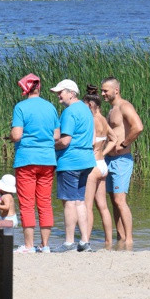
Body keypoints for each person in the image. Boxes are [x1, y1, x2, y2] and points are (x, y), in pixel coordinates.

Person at [10, 73, 60, 252]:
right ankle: (45, 246)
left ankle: (29, 246)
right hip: (48, 159)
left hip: (26, 159)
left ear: (25, 88)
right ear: (39, 87)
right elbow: (56, 135)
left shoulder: (20, 107)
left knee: (27, 203)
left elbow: (17, 135)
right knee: (45, 202)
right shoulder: (50, 107)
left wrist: (10, 136)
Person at [50, 79, 97, 252]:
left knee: (69, 202)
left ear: (71, 92)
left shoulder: (69, 112)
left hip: (70, 161)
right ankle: (85, 242)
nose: (58, 96)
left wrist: (50, 146)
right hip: (87, 160)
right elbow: (92, 139)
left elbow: (65, 141)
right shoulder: (86, 109)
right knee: (79, 201)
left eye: (60, 92)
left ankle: (69, 242)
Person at [100, 76, 144, 250]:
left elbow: (138, 127)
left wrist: (124, 143)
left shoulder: (124, 106)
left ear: (116, 90)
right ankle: (121, 238)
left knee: (120, 200)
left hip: (121, 160)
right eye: (102, 90)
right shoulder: (111, 109)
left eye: (105, 90)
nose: (103, 93)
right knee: (113, 200)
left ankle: (130, 240)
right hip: (109, 159)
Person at [83, 85, 117, 249]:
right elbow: (114, 138)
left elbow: (89, 142)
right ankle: (109, 242)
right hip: (103, 164)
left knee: (87, 206)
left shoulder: (92, 120)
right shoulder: (103, 118)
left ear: (90, 105)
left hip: (93, 166)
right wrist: (103, 151)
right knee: (103, 206)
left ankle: (86, 241)